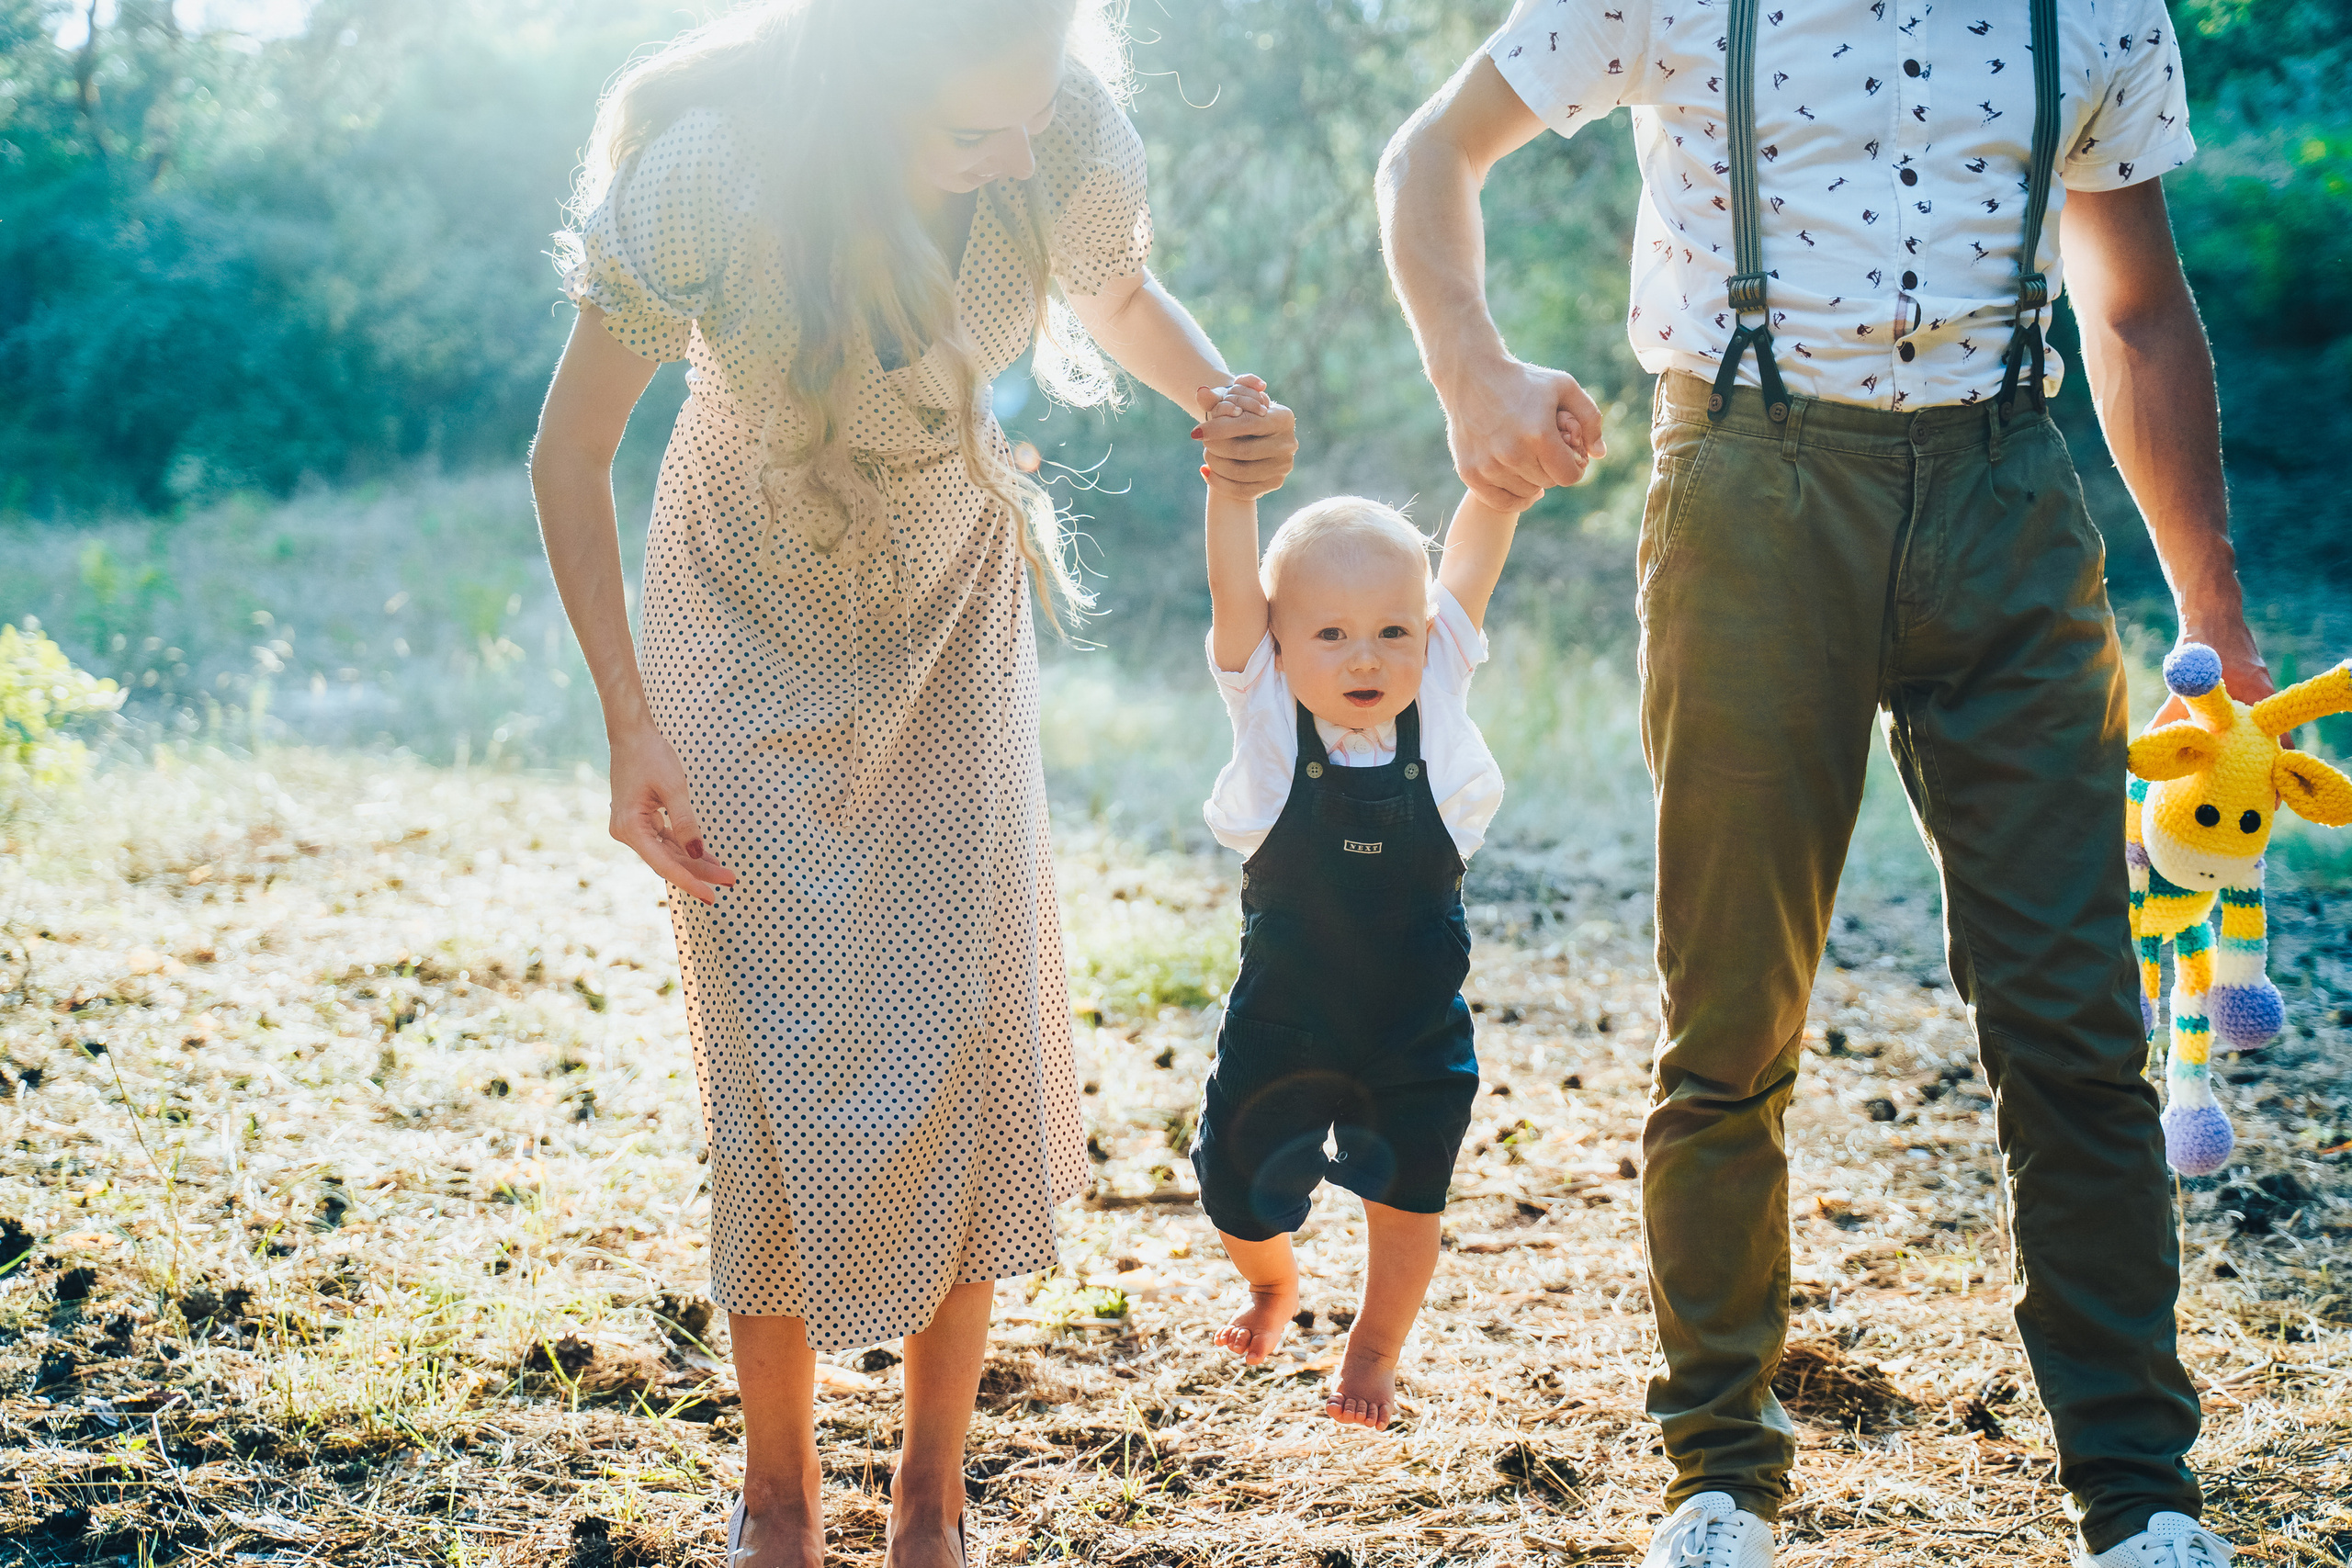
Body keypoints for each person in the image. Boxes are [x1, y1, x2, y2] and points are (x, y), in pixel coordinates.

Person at [1379, 2, 2260, 1566]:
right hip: (1747, 494)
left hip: (2007, 500)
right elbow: (1430, 153)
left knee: (2078, 1021)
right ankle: (1719, 1476)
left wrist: (2214, 605)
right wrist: (1472, 369)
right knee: (1730, 1020)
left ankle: (2138, 1498)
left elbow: (2132, 311)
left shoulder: (2102, 10)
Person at [527, 3, 1296, 1564]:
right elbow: (570, 452)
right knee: (773, 1045)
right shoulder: (714, 173)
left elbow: (1115, 291)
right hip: (740, 604)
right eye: (970, 130)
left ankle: (931, 1496)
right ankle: (778, 1495)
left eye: (1033, 111)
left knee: (969, 1026)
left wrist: (1223, 399)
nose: (1016, 153)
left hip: (947, 606)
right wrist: (630, 724)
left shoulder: (1055, 128)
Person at [1190, 434, 1538, 1428]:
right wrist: (1234, 492)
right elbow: (1232, 590)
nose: (1366, 656)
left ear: (1426, 633)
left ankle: (1374, 1349)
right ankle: (1271, 1283)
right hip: (1284, 1021)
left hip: (1412, 1022)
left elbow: (1474, 553)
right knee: (1236, 1189)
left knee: (1412, 1188)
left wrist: (1499, 483)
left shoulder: (1438, 688)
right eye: (1332, 634)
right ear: (1277, 642)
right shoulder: (1263, 702)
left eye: (1392, 629)